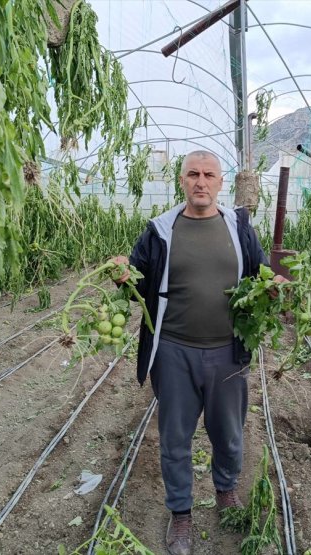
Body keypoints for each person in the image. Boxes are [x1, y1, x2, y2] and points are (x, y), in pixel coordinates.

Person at [112, 150, 285, 555]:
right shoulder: (159, 231)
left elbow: (260, 270)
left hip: (228, 351)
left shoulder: (239, 227)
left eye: (209, 175)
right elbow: (134, 278)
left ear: (221, 183)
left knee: (228, 434)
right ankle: (181, 514)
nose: (201, 182)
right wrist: (121, 272)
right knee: (175, 439)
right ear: (181, 181)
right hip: (173, 352)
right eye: (193, 174)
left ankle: (225, 491)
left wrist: (274, 283)